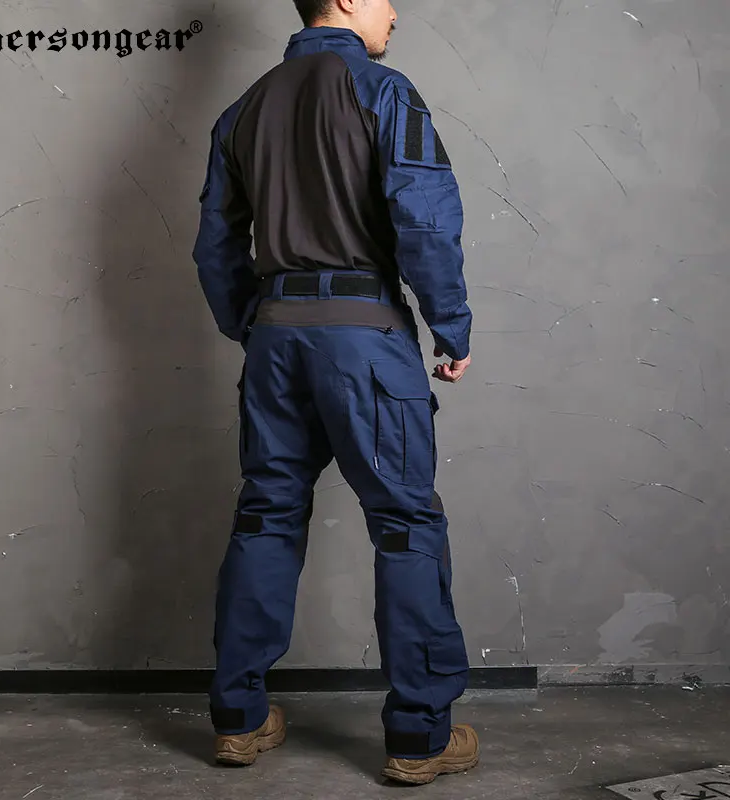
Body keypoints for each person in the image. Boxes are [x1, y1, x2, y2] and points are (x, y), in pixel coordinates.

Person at [193, 0, 476, 786]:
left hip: (276, 336)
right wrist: (451, 326)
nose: (396, 13)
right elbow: (425, 222)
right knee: (406, 524)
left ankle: (239, 719)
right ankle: (418, 737)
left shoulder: (244, 108)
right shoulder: (384, 92)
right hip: (364, 338)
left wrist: (253, 325)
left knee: (266, 513)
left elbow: (216, 244)